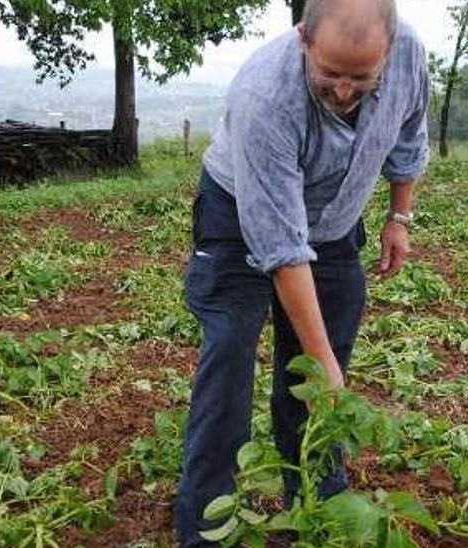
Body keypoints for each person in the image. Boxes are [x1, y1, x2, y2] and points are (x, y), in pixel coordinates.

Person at [173, 0, 430, 544]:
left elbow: (408, 133)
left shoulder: (408, 55)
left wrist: (399, 216)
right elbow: (282, 249)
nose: (343, 90)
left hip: (336, 219)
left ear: (388, 51)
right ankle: (206, 526)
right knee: (231, 355)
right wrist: (324, 367)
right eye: (330, 73)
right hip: (241, 214)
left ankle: (316, 508)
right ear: (303, 41)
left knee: (317, 372)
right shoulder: (266, 96)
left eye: (362, 78)